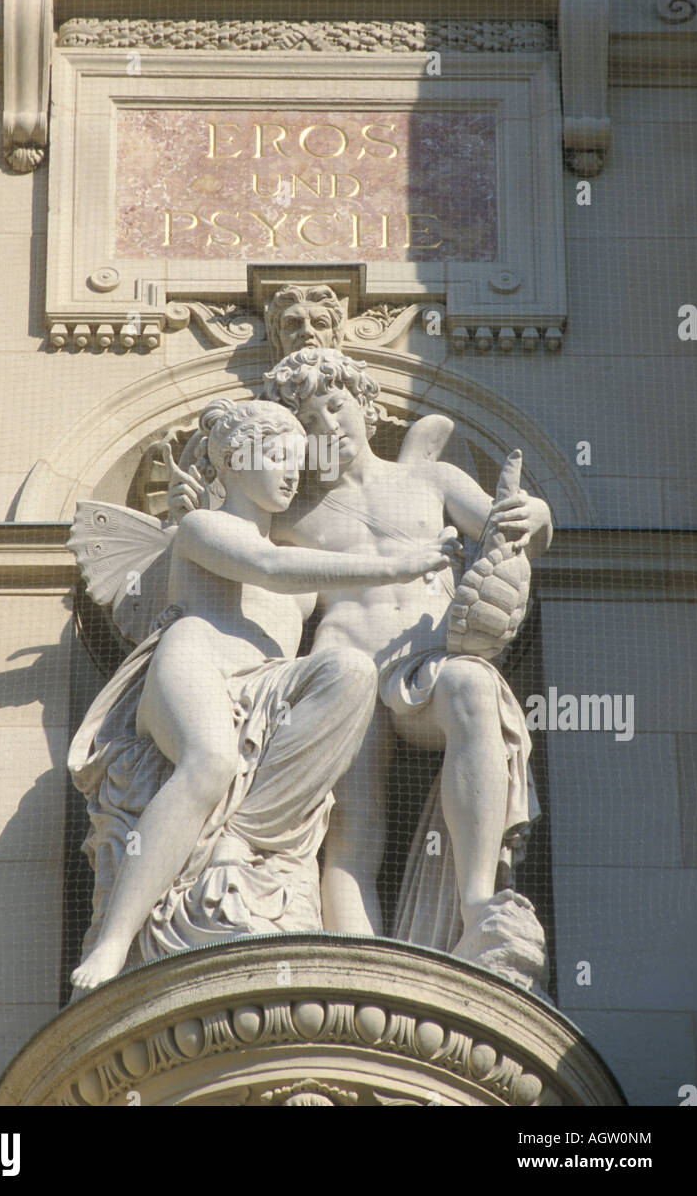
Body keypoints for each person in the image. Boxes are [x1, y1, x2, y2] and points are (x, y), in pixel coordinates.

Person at [70, 396, 461, 991]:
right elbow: (270, 567)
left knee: (351, 673)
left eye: (297, 462)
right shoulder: (204, 528)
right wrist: (397, 565)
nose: (290, 472)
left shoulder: (301, 568)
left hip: (267, 683)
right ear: (232, 457)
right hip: (197, 658)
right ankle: (113, 942)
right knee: (211, 759)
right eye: (276, 454)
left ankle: (242, 836)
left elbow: (327, 597)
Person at [254, 348, 553, 977]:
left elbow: (507, 534)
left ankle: (478, 909)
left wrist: (538, 517)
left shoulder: (432, 480)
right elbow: (255, 581)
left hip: (427, 660)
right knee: (352, 830)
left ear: (365, 405)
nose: (327, 424)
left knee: (472, 687)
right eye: (306, 421)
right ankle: (358, 970)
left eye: (334, 406)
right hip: (343, 673)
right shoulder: (289, 517)